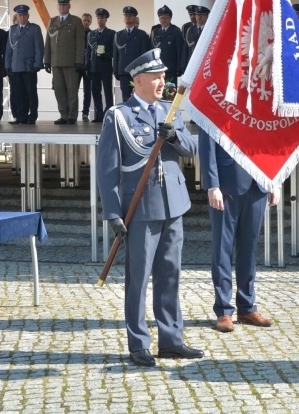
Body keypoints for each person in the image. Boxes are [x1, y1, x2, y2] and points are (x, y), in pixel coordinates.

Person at [97, 49, 203, 367]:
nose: (162, 82)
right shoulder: (119, 117)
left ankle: (171, 339)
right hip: (140, 209)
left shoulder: (169, 112)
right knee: (138, 278)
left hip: (173, 205)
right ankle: (138, 342)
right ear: (139, 80)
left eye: (163, 76)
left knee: (170, 276)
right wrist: (113, 212)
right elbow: (107, 169)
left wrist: (173, 139)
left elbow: (193, 148)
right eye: (156, 77)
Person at [198, 128, 279, 333]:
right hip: (226, 184)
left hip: (258, 183)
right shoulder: (217, 99)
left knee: (249, 249)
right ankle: (224, 310)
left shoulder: (262, 100)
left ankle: (247, 306)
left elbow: (272, 139)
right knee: (222, 249)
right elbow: (207, 145)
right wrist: (211, 184)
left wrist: (273, 179)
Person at [44, 0, 86, 125]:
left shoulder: (76, 21)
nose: (62, 7)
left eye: (64, 5)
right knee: (59, 90)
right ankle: (63, 114)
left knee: (72, 90)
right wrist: (47, 60)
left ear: (69, 6)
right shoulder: (52, 21)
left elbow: (80, 43)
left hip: (70, 62)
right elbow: (48, 42)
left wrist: (79, 60)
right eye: (60, 5)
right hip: (56, 62)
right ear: (57, 6)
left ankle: (72, 116)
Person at [5, 4, 45, 124]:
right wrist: (7, 65)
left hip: (29, 66)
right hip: (16, 66)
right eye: (19, 15)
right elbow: (8, 49)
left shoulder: (34, 28)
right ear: (16, 16)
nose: (22, 18)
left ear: (28, 16)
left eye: (24, 15)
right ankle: (21, 116)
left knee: (31, 92)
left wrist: (38, 63)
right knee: (18, 92)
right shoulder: (12, 30)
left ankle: (32, 116)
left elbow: (39, 47)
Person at [112, 6, 151, 102]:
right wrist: (116, 70)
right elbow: (116, 54)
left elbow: (143, 54)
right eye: (126, 15)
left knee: (138, 97)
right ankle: (126, 116)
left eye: (130, 15)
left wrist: (143, 71)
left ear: (135, 18)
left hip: (137, 72)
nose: (128, 17)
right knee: (125, 97)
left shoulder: (142, 35)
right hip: (124, 71)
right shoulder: (118, 35)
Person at [87, 7, 116, 122]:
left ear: (106, 19)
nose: (100, 20)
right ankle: (98, 115)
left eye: (102, 18)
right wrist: (87, 65)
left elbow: (114, 51)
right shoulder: (91, 34)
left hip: (106, 67)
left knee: (108, 92)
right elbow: (88, 52)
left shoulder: (111, 33)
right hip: (94, 68)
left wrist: (106, 55)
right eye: (98, 18)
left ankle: (109, 114)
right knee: (95, 92)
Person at [149, 5, 187, 84]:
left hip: (171, 69)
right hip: (157, 69)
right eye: (161, 18)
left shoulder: (175, 32)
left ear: (170, 19)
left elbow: (179, 50)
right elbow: (150, 50)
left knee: (170, 94)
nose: (164, 20)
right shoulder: (155, 32)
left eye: (166, 18)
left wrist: (179, 68)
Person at [80, 12, 94, 122]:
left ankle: (85, 113)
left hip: (88, 65)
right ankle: (72, 113)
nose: (86, 22)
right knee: (73, 90)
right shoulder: (76, 33)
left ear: (91, 22)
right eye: (84, 20)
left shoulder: (93, 34)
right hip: (77, 64)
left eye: (88, 21)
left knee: (87, 90)